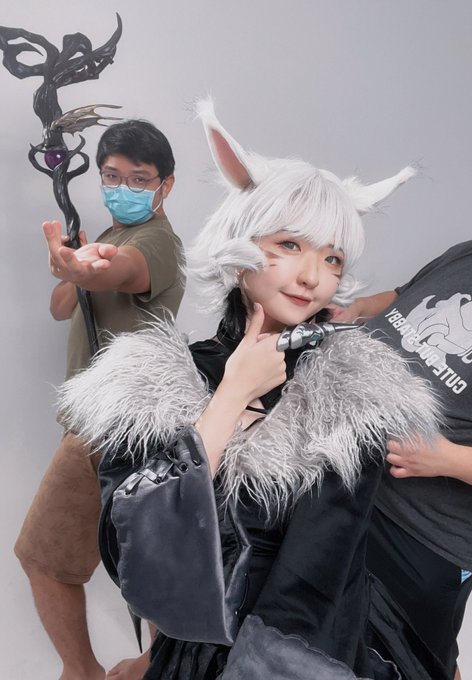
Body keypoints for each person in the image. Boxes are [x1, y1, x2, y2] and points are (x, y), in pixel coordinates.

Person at [57, 101, 439, 680]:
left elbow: (318, 574)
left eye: (332, 258)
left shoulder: (351, 396)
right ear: (239, 247)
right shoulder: (157, 379)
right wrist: (232, 395)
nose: (312, 275)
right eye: (290, 245)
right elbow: (132, 541)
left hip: (294, 657)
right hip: (189, 657)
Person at [14, 119, 185, 680]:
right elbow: (60, 307)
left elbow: (124, 273)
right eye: (111, 176)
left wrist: (93, 269)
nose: (121, 188)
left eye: (139, 179)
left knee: (128, 565)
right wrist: (73, 266)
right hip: (92, 427)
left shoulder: (155, 243)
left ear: (165, 185)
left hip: (125, 428)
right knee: (70, 558)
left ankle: (133, 669)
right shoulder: (111, 235)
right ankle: (101, 669)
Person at [334, 239, 472, 679]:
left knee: (412, 664)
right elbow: (401, 300)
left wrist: (446, 459)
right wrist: (357, 310)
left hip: (421, 537)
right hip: (343, 480)